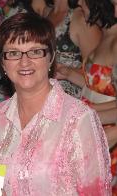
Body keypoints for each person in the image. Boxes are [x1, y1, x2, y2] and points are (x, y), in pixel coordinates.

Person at [0, 12, 111, 195]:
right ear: (3, 63)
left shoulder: (78, 119)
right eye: (14, 53)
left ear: (51, 58)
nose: (24, 62)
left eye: (35, 52)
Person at [55, 0, 117, 192]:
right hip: (94, 128)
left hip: (109, 135)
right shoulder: (108, 33)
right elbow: (100, 87)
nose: (79, 2)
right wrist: (68, 74)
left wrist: (88, 115)